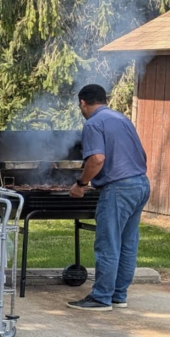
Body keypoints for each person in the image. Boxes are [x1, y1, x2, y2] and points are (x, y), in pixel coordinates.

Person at [67, 84, 150, 311]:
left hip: (119, 189)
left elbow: (97, 159)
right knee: (127, 243)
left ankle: (101, 297)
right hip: (141, 183)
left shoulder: (93, 123)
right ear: (104, 100)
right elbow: (141, 154)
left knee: (108, 243)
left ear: (82, 102)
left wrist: (81, 184)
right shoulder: (121, 119)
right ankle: (118, 295)